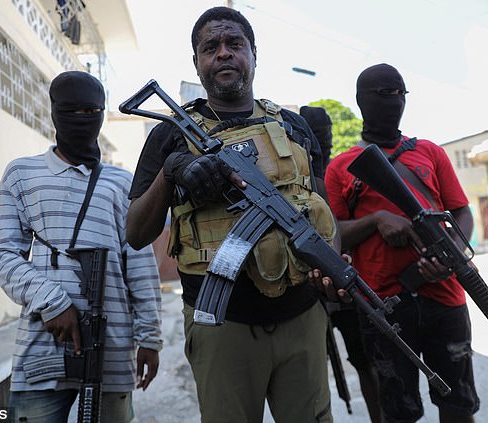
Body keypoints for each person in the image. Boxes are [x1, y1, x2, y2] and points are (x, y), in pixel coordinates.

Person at [126, 6, 338, 423]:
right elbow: (135, 231)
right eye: (211, 47)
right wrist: (172, 172)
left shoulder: (293, 127)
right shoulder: (170, 133)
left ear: (254, 54)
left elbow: (322, 211)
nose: (223, 53)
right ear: (197, 62)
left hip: (302, 318)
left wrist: (330, 265)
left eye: (234, 44)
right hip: (222, 324)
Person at [0, 71, 163, 423]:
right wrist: (52, 302)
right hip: (41, 348)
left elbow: (139, 265)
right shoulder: (22, 174)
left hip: (110, 352)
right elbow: (1, 253)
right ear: (53, 113)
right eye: (70, 111)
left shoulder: (121, 183)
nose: (82, 120)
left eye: (91, 111)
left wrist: (151, 338)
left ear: (102, 113)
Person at [324, 63, 479, 423]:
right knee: (399, 411)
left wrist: (452, 253)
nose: (394, 101)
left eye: (400, 93)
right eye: (383, 94)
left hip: (445, 295)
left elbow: (461, 212)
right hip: (384, 306)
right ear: (362, 101)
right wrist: (376, 221)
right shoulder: (341, 167)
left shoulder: (430, 152)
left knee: (459, 406)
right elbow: (333, 233)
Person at [300, 105, 383, 423]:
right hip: (308, 292)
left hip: (346, 286)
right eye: (316, 134)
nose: (322, 140)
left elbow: (346, 229)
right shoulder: (293, 179)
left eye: (325, 133)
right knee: (308, 373)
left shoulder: (342, 173)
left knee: (365, 363)